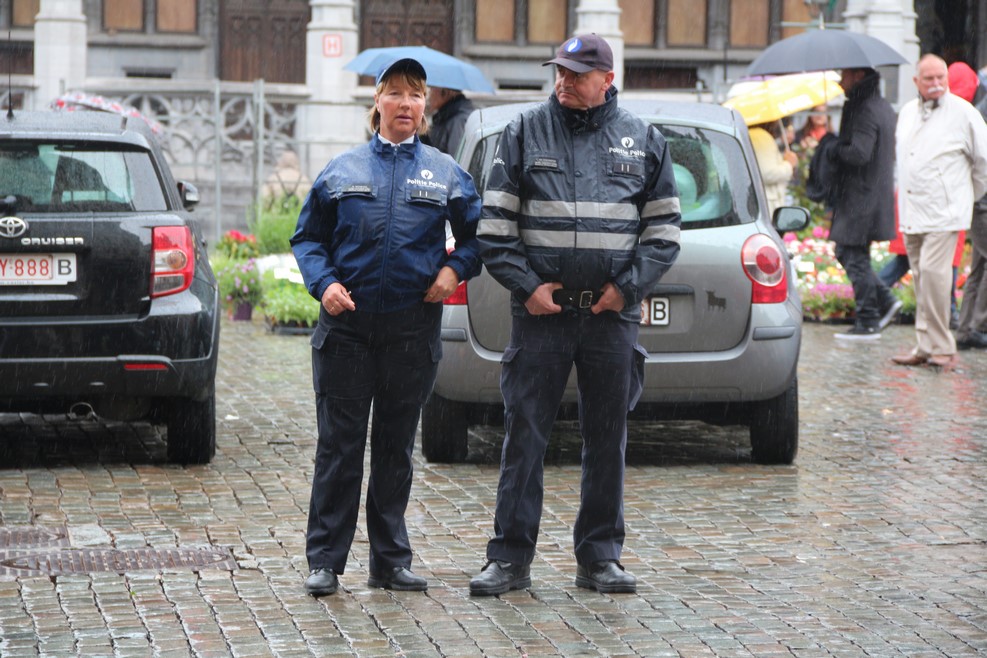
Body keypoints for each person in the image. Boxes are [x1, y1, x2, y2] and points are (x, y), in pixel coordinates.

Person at [468, 34, 681, 596]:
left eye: (577, 74)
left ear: (607, 79)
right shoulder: (522, 132)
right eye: (559, 71)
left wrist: (625, 290)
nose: (563, 81)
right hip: (542, 314)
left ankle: (600, 557)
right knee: (525, 435)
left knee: (607, 438)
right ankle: (510, 558)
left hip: (611, 317)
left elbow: (663, 231)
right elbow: (494, 227)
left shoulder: (644, 139)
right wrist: (528, 287)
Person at [291, 57, 482, 596]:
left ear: (425, 107)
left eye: (416, 94)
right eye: (395, 92)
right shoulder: (342, 170)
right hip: (346, 330)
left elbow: (478, 238)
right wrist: (324, 283)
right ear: (376, 102)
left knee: (396, 448)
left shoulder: (445, 172)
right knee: (339, 447)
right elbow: (308, 239)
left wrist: (453, 271)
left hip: (410, 331)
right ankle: (325, 560)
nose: (405, 103)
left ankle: (390, 560)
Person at [893, 54, 987, 370]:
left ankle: (943, 346)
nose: (935, 84)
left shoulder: (964, 112)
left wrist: (967, 196)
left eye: (940, 78)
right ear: (916, 81)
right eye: (929, 79)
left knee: (935, 277)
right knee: (921, 278)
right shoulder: (908, 111)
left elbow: (983, 161)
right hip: (913, 210)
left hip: (945, 212)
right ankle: (925, 345)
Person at [826, 67, 899, 340]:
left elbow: (859, 153)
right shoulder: (880, 105)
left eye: (844, 75)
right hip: (869, 194)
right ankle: (884, 302)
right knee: (852, 253)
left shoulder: (865, 108)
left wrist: (833, 148)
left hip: (861, 197)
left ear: (857, 75)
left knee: (851, 254)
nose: (840, 81)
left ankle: (868, 319)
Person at [948, 61, 987, 350]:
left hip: (977, 199)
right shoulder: (979, 113)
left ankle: (965, 328)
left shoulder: (975, 111)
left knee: (979, 265)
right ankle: (978, 325)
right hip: (982, 200)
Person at [749, 122, 798, 217]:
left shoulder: (749, 134)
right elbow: (768, 173)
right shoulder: (760, 136)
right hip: (767, 206)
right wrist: (789, 164)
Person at [423, 86, 476, 157]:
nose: (429, 94)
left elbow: (455, 159)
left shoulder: (458, 120)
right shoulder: (444, 116)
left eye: (432, 89)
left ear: (445, 92)